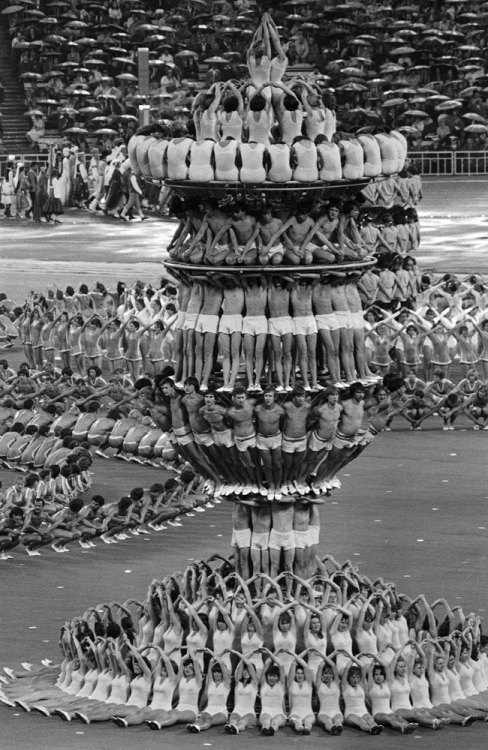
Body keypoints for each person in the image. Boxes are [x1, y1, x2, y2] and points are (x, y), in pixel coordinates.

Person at [254, 387, 284, 500]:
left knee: (277, 464)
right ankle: (271, 485)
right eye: (266, 395)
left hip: (275, 438)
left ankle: (277, 486)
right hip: (262, 439)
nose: (268, 398)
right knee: (267, 465)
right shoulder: (257, 409)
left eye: (270, 396)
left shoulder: (280, 410)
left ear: (275, 397)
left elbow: (282, 423)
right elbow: (256, 423)